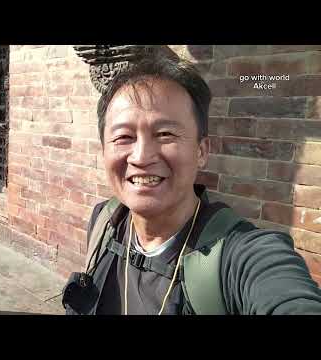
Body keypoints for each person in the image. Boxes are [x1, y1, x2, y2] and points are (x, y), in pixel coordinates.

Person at [62, 58, 321, 315]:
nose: (141, 157)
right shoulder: (105, 222)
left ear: (201, 151)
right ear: (104, 151)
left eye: (165, 134)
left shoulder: (241, 258)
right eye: (123, 137)